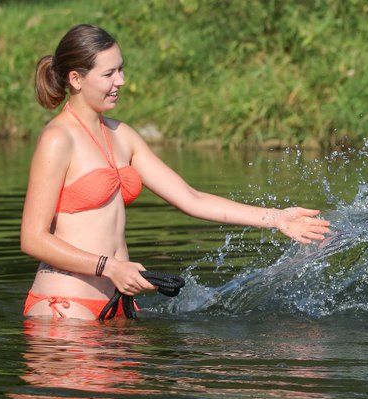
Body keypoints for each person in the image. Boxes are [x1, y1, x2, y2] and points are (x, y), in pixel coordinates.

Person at [21, 24, 330, 320]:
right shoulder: (58, 138)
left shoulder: (122, 135)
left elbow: (191, 198)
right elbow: (33, 238)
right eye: (109, 73)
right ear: (76, 79)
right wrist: (110, 267)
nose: (121, 80)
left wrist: (277, 218)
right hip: (64, 307)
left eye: (121, 68)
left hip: (118, 306)